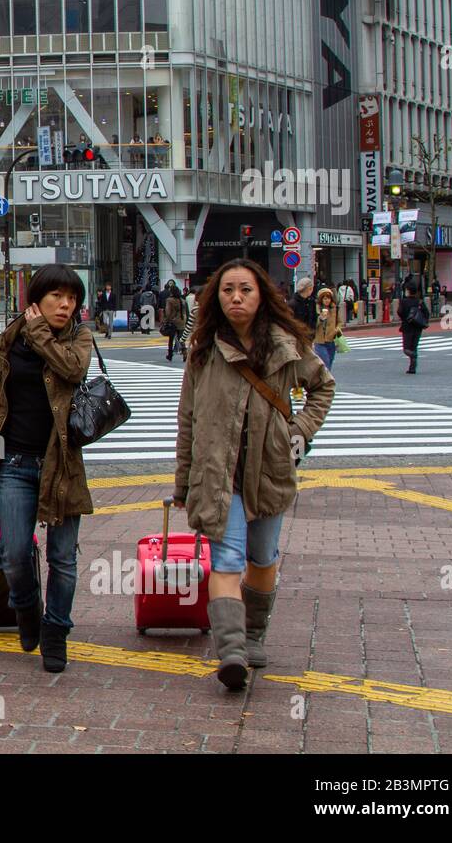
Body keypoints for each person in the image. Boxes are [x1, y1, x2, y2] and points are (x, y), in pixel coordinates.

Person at [174, 258, 334, 690]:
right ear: (216, 297)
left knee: (261, 558)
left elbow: (323, 387)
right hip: (217, 473)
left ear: (261, 294)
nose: (236, 298)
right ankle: (231, 653)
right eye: (227, 290)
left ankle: (254, 634)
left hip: (269, 469)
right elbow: (187, 417)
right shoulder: (203, 349)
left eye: (245, 289)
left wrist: (299, 431)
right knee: (225, 560)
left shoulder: (285, 345)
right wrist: (182, 480)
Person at [0, 265, 94, 673]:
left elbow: (72, 370)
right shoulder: (9, 339)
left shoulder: (79, 337)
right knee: (12, 553)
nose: (65, 304)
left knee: (62, 558)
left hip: (62, 464)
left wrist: (41, 333)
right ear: (36, 301)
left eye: (72, 298)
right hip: (15, 461)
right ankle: (25, 606)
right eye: (57, 296)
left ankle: (56, 629)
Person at [398, 280, 426, 375]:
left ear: (408, 291)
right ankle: (412, 368)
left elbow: (400, 312)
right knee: (414, 346)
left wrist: (405, 318)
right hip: (418, 327)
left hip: (407, 326)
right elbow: (426, 313)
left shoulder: (404, 302)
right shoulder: (419, 302)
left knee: (406, 348)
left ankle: (413, 357)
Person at [313, 287, 340, 370]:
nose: (327, 301)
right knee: (326, 362)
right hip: (319, 341)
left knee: (330, 363)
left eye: (328, 298)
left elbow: (339, 322)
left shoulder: (334, 309)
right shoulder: (316, 309)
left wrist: (337, 330)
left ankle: (325, 381)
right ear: (321, 299)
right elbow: (313, 324)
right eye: (324, 299)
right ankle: (325, 382)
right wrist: (320, 318)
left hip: (331, 340)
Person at [163, 287, 187, 361]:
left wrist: (166, 320)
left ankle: (170, 355)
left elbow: (168, 312)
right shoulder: (182, 300)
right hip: (182, 321)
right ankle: (185, 352)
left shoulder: (169, 300)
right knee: (181, 338)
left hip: (173, 322)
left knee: (171, 339)